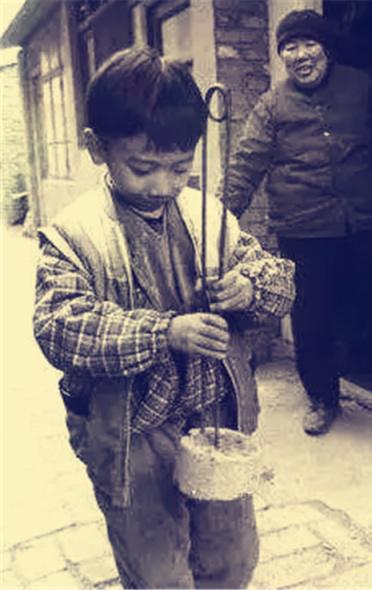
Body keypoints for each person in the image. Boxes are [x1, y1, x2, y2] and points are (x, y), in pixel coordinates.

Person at [32, 47, 295, 589]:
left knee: (232, 556)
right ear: (97, 148)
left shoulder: (208, 215)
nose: (162, 185)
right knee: (157, 571)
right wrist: (164, 332)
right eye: (142, 168)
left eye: (179, 167)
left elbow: (279, 282)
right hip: (132, 434)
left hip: (213, 417)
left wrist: (248, 288)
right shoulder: (74, 234)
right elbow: (59, 326)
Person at [224, 9, 372, 436]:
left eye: (309, 44)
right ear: (282, 56)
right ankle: (323, 398)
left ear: (326, 48)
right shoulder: (272, 105)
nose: (301, 55)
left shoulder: (362, 88)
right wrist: (219, 218)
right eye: (290, 47)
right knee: (312, 317)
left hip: (368, 220)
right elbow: (246, 165)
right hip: (304, 228)